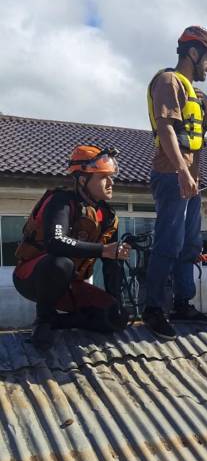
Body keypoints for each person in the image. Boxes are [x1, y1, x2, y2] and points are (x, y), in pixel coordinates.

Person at [143, 25, 207, 339]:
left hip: (191, 178)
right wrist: (182, 171)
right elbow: (166, 128)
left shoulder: (196, 95)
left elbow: (195, 141)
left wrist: (193, 175)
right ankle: (153, 308)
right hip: (171, 174)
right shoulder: (169, 81)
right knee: (169, 241)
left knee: (190, 243)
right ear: (192, 52)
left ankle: (182, 304)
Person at [13, 145, 130, 350]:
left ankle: (59, 322)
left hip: (70, 285)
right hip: (34, 276)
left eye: (111, 177)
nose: (111, 183)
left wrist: (115, 303)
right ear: (83, 180)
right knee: (60, 263)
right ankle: (44, 320)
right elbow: (55, 242)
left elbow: (112, 264)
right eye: (104, 177)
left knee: (117, 316)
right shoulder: (62, 201)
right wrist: (103, 250)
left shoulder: (109, 217)